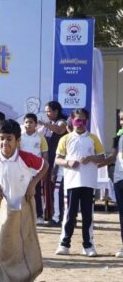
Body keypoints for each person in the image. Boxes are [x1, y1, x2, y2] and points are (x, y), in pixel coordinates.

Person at [0, 119, 48, 282]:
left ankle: (25, 279)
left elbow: (45, 166)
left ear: (18, 141)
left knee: (25, 243)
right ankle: (4, 281)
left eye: (9, 139)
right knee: (2, 243)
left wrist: (33, 184)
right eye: (1, 138)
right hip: (4, 206)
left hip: (24, 204)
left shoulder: (26, 157)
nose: (5, 143)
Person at [55, 108, 104, 257]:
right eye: (77, 120)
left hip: (89, 183)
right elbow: (57, 159)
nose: (80, 123)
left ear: (87, 121)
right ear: (72, 120)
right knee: (69, 215)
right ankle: (64, 244)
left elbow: (102, 157)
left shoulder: (93, 138)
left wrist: (91, 158)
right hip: (71, 183)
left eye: (83, 120)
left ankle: (88, 245)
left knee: (88, 216)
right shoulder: (66, 138)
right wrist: (68, 163)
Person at [38, 101, 68, 225]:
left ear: (56, 111)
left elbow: (60, 130)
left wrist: (43, 123)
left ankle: (59, 216)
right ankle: (49, 215)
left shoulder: (63, 121)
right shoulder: (47, 125)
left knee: (58, 190)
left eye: (49, 111)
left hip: (58, 163)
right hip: (47, 161)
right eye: (46, 112)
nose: (47, 114)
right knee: (47, 189)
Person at [21, 113, 49, 224]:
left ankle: (39, 216)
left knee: (36, 193)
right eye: (26, 122)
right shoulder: (20, 137)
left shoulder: (40, 137)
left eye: (31, 122)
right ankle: (24, 215)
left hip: (36, 171)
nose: (28, 124)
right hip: (22, 170)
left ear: (36, 124)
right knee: (22, 193)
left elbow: (45, 154)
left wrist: (44, 169)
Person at [104, 111, 123, 258]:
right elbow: (112, 156)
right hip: (119, 179)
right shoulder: (118, 137)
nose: (122, 122)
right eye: (121, 119)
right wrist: (96, 162)